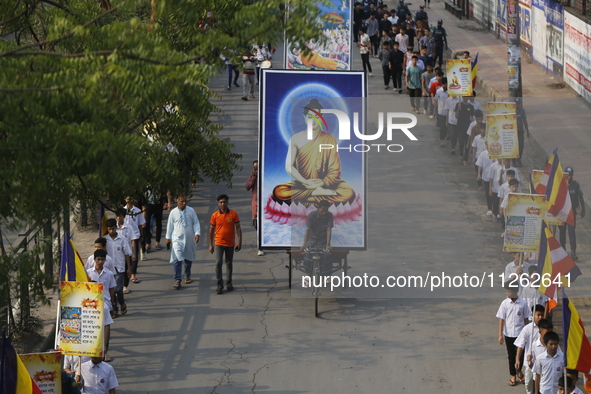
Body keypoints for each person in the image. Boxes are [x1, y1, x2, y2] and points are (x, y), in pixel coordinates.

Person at [271, 99, 356, 207]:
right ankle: (318, 196)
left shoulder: (330, 139)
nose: (314, 121)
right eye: (310, 117)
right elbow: (289, 166)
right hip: (303, 184)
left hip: (325, 184)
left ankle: (308, 198)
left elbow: (335, 169)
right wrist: (306, 182)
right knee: (279, 191)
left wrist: (322, 182)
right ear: (305, 117)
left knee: (349, 193)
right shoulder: (296, 138)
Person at [497, 281, 531, 387]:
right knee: (511, 356)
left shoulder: (523, 303)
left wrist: (528, 333)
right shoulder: (505, 303)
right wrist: (500, 335)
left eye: (509, 291)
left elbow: (526, 319)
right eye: (506, 291)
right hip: (508, 334)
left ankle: (519, 370)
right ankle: (513, 375)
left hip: (520, 334)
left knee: (520, 356)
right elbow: (501, 319)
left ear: (516, 291)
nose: (507, 293)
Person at [165, 194, 201, 289]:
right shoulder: (173, 212)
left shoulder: (191, 210)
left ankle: (187, 275)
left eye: (185, 201)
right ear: (177, 201)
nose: (184, 203)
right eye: (182, 201)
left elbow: (196, 222)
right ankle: (177, 279)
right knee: (177, 258)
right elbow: (170, 226)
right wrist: (168, 238)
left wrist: (197, 233)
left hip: (189, 238)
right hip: (177, 239)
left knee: (188, 258)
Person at [86, 249, 116, 362]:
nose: (100, 262)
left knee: (105, 328)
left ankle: (105, 351)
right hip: (91, 305)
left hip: (105, 304)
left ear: (105, 260)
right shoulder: (88, 273)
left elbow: (111, 290)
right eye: (98, 259)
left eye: (102, 259)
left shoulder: (109, 274)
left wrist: (113, 306)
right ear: (94, 260)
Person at [209, 194, 242, 294]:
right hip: (219, 243)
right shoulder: (215, 215)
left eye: (224, 202)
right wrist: (211, 244)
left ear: (227, 203)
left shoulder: (233, 214)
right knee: (218, 264)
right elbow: (211, 230)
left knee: (229, 263)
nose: (223, 204)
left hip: (230, 244)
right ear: (218, 203)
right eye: (221, 202)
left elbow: (238, 228)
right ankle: (219, 284)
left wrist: (239, 242)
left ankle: (229, 282)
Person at [300, 200, 334, 285]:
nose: (324, 212)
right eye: (322, 210)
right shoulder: (312, 215)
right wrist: (304, 244)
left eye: (326, 210)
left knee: (327, 256)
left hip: (323, 241)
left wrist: (328, 245)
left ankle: (326, 276)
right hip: (312, 240)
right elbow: (308, 229)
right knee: (307, 257)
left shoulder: (329, 215)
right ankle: (308, 276)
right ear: (318, 208)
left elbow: (329, 229)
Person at [514, 304, 545, 392]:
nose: (540, 317)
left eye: (542, 315)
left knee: (540, 385)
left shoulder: (547, 329)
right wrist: (517, 360)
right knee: (528, 383)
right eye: (538, 315)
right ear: (533, 315)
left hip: (542, 362)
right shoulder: (527, 329)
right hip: (529, 362)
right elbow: (520, 345)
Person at [105, 218, 131, 316]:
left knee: (118, 289)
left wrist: (129, 268)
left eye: (113, 229)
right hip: (108, 269)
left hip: (120, 268)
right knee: (110, 289)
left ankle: (122, 303)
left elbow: (127, 254)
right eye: (109, 229)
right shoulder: (105, 240)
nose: (111, 231)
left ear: (116, 227)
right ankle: (114, 309)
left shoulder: (122, 239)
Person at [558, 166, 585, 261]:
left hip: (572, 212)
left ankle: (573, 251)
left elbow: (581, 196)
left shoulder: (576, 184)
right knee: (562, 232)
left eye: (571, 175)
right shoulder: (559, 185)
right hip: (562, 212)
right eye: (567, 175)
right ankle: (563, 251)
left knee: (571, 232)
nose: (569, 177)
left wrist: (583, 209)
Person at [245, 160, 264, 256]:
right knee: (257, 226)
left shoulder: (265, 175)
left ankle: (261, 247)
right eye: (255, 168)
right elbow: (247, 187)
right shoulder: (252, 176)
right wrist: (253, 179)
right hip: (255, 205)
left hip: (264, 205)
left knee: (263, 227)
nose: (256, 170)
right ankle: (260, 246)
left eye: (258, 168)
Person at [139, 188, 165, 253]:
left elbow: (164, 190)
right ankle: (148, 243)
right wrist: (142, 205)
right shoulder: (145, 183)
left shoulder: (159, 182)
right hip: (148, 204)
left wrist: (166, 201)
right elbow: (142, 193)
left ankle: (157, 242)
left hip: (158, 204)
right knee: (146, 223)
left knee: (158, 223)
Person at [513, 98, 530, 167]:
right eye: (516, 104)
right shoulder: (510, 110)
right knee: (513, 147)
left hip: (520, 131)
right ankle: (513, 161)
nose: (517, 105)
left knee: (521, 146)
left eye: (518, 104)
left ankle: (519, 159)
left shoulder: (522, 110)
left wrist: (527, 130)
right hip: (512, 133)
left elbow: (524, 120)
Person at [433, 77, 449, 147]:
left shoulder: (451, 92)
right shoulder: (439, 91)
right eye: (443, 84)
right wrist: (434, 111)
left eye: (446, 84)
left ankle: (445, 136)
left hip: (449, 112)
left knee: (447, 126)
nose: (444, 85)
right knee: (442, 126)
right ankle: (442, 140)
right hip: (441, 112)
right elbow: (435, 100)